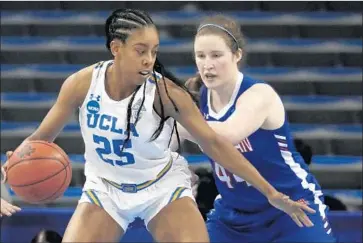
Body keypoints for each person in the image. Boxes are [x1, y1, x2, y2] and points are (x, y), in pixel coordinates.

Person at [2, 9, 314, 242]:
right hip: (105, 189)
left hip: (162, 188)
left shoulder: (166, 94)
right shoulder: (82, 84)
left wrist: (271, 193)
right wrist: (6, 176)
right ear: (116, 48)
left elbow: (216, 144)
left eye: (154, 51)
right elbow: (37, 143)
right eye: (141, 51)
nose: (149, 59)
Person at [181, 14, 337, 242]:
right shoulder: (195, 96)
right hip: (232, 216)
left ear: (236, 55)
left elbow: (227, 135)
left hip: (289, 207)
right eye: (200, 56)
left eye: (216, 55)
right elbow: (165, 139)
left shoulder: (258, 94)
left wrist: (175, 120)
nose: (208, 64)